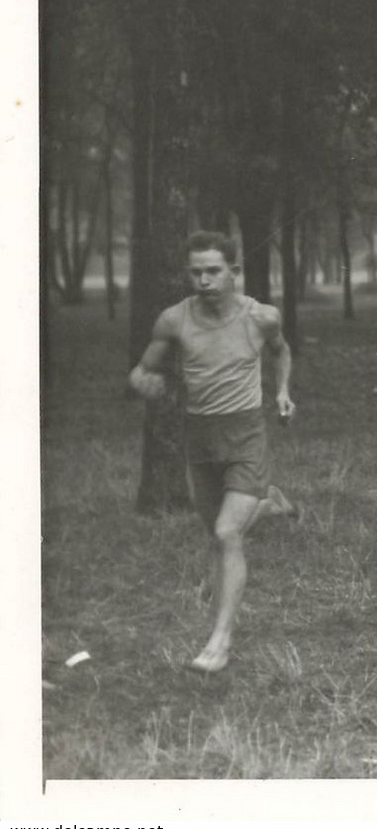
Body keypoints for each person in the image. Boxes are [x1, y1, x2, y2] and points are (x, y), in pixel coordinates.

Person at [127, 231, 297, 673]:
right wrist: (142, 381)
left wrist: (281, 392)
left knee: (226, 534)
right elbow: (144, 368)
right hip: (200, 438)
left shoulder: (261, 318)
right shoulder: (173, 320)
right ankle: (268, 501)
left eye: (213, 271)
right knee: (219, 537)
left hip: (245, 435)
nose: (203, 280)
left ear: (234, 272)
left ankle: (219, 642)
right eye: (196, 272)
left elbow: (281, 352)